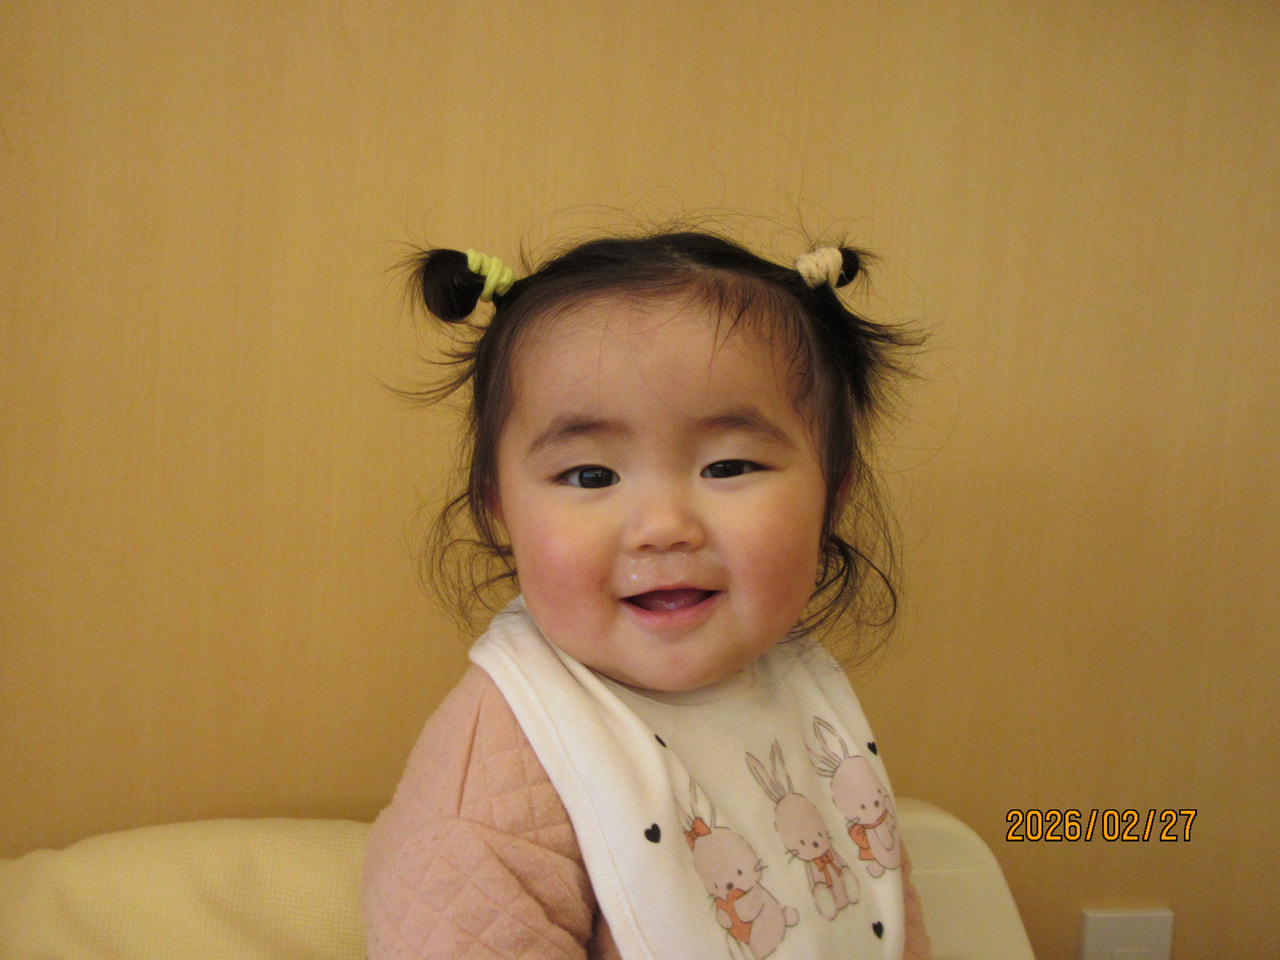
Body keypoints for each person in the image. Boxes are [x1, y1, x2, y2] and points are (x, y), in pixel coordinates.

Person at [362, 229, 931, 960]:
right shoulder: (494, 788)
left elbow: (881, 908)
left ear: (833, 493)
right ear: (499, 506)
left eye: (729, 467)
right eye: (591, 476)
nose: (663, 528)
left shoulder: (796, 688)